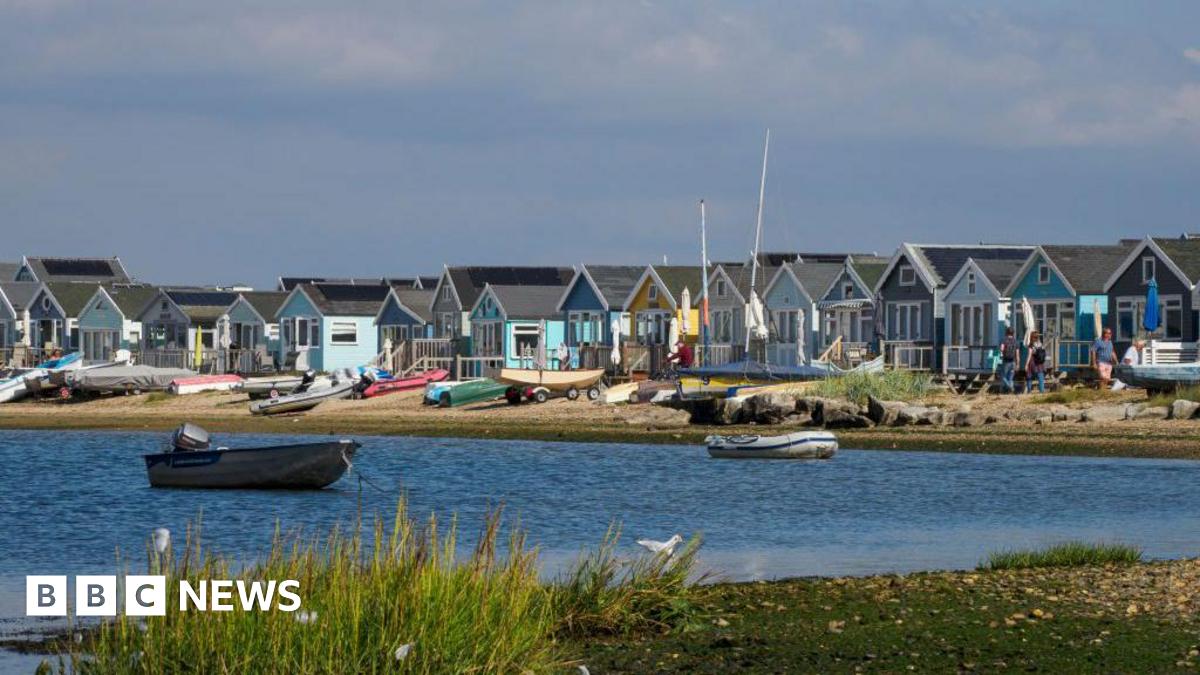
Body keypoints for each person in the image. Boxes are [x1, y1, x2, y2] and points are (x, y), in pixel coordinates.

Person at [998, 327, 1019, 394]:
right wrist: (1018, 364)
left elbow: (1001, 349)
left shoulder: (1004, 340)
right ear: (1013, 333)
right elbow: (1017, 354)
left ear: (1006, 332)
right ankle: (1010, 392)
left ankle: (1010, 387)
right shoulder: (1016, 341)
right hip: (1013, 361)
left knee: (1003, 376)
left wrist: (1001, 351)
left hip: (1006, 361)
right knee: (1010, 377)